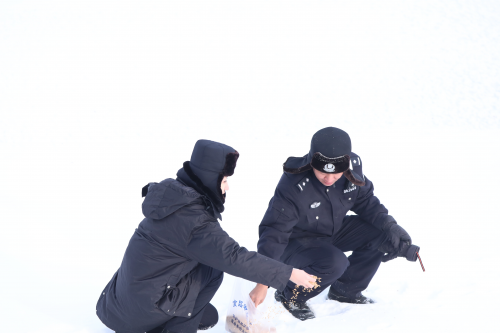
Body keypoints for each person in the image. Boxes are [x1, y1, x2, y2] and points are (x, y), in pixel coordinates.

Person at [96, 139, 316, 333]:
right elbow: (233, 257)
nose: (227, 187)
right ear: (209, 179)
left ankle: (169, 317)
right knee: (212, 269)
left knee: (206, 307)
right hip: (139, 315)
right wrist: (289, 273)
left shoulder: (172, 198)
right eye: (224, 180)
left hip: (117, 304)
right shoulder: (192, 219)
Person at [249, 127, 413, 321]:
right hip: (295, 242)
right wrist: (263, 281)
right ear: (312, 163)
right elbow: (275, 233)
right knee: (335, 262)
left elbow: (367, 202)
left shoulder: (352, 173)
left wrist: (390, 226)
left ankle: (345, 291)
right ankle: (290, 294)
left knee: (380, 233)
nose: (329, 179)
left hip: (330, 231)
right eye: (322, 173)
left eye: (336, 175)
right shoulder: (293, 185)